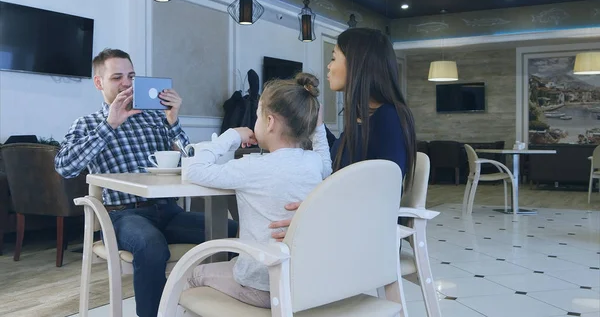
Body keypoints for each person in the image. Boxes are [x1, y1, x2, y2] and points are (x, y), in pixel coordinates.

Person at [54, 48, 239, 317]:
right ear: (99, 83)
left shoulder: (155, 118)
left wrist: (173, 121)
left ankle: (210, 306)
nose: (127, 83)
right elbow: (65, 167)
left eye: (131, 76)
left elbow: (193, 163)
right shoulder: (88, 123)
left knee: (232, 234)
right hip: (124, 214)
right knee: (151, 245)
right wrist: (110, 125)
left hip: (169, 210)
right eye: (117, 77)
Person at [182, 73, 332, 307]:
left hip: (261, 286)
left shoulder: (251, 167)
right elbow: (326, 163)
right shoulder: (313, 162)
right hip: (302, 283)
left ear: (269, 122)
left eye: (257, 117)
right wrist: (319, 127)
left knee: (191, 274)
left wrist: (232, 135)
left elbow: (194, 169)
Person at [269, 27, 417, 241]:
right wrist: (313, 122)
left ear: (357, 64)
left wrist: (318, 213)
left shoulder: (389, 118)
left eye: (334, 58)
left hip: (364, 240)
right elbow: (338, 160)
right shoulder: (362, 118)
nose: (328, 67)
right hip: (344, 228)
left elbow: (382, 193)